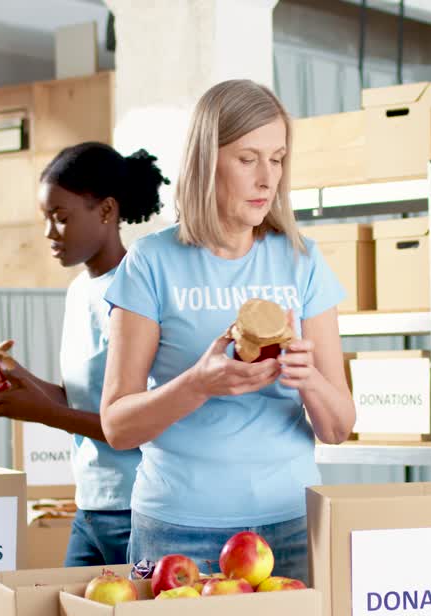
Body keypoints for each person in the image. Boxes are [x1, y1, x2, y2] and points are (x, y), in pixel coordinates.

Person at [99, 79, 355, 584]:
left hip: (289, 524)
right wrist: (200, 384)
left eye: (277, 159)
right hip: (174, 528)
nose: (268, 180)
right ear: (205, 160)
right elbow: (117, 424)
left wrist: (309, 379)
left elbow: (339, 427)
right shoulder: (152, 263)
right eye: (248, 159)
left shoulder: (302, 261)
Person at [0, 142, 168, 567]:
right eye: (46, 219)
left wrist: (38, 412)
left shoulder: (137, 292)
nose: (49, 234)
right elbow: (78, 402)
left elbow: (139, 425)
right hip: (91, 506)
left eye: (61, 219)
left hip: (135, 509)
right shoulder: (80, 291)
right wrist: (10, 373)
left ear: (106, 211)